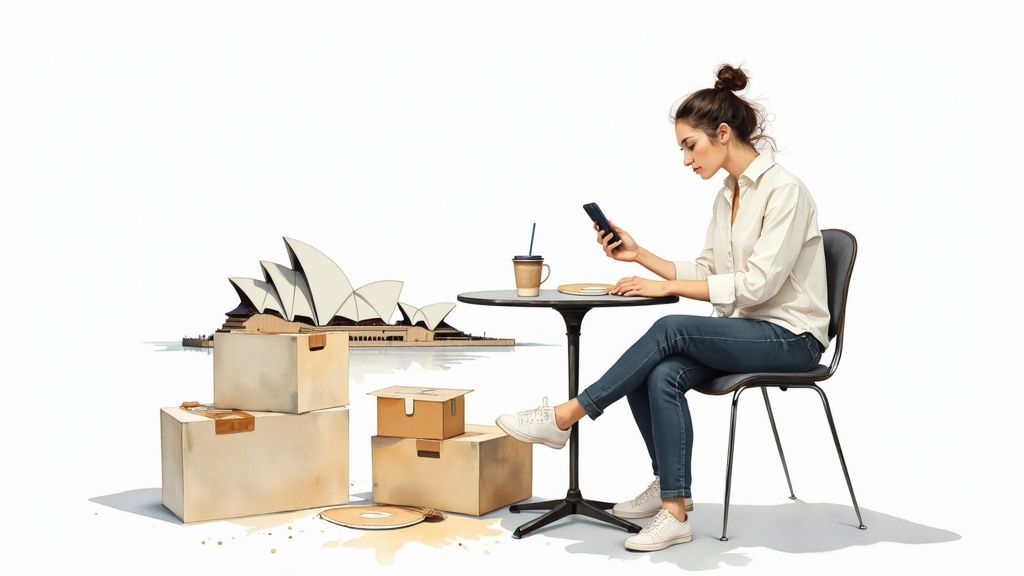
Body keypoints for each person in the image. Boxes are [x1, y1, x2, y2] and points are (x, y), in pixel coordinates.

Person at [495, 64, 829, 552]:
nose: (686, 159)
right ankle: (674, 504)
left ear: (721, 134)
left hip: (791, 339)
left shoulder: (785, 191)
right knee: (659, 371)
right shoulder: (727, 196)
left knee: (669, 326)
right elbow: (707, 267)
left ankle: (566, 415)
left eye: (690, 146)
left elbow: (756, 288)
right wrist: (641, 257)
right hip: (748, 333)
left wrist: (659, 289)